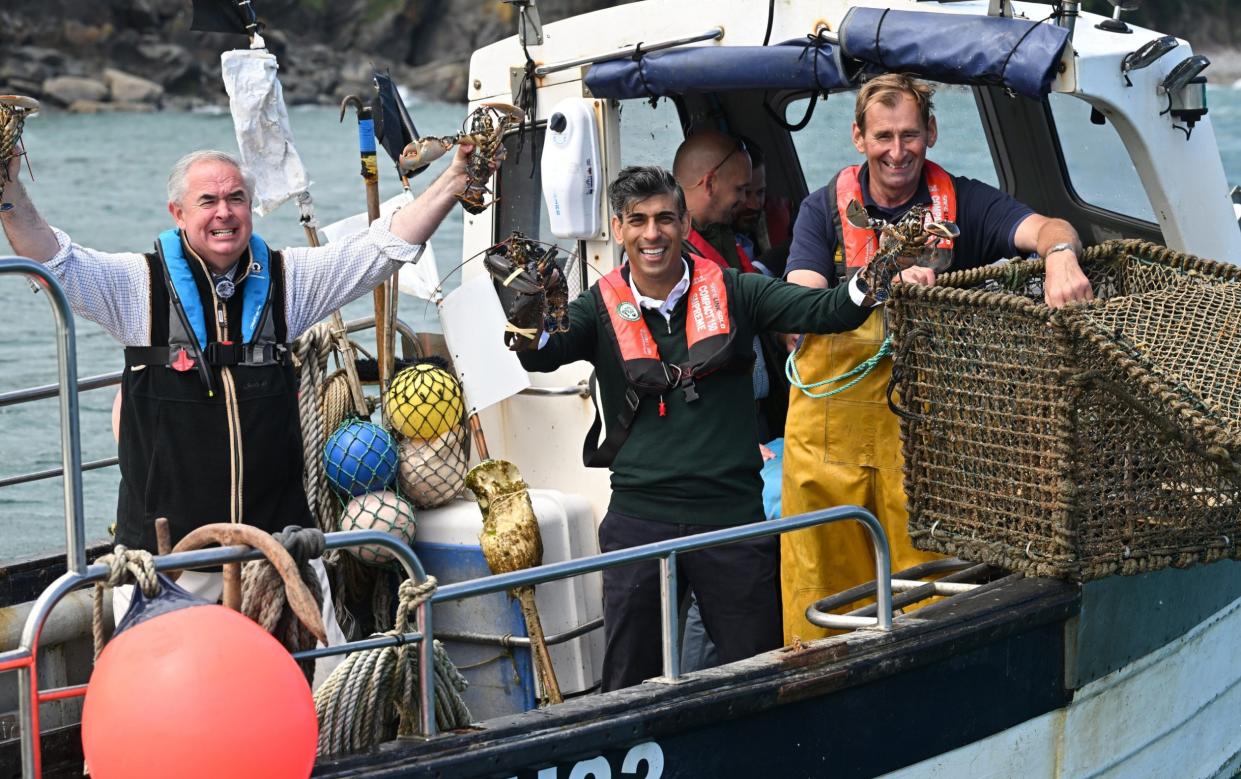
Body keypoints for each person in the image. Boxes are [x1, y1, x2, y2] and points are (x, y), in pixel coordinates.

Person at [1, 142, 482, 622]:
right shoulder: (136, 288)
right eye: (208, 202)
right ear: (178, 213)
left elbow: (383, 248)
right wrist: (7, 185)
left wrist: (453, 181)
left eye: (236, 199)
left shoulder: (287, 281)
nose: (224, 213)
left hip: (279, 550)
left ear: (250, 209)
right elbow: (53, 259)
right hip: (167, 560)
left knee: (315, 682)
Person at [517, 165, 931, 691]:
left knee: (758, 674)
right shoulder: (595, 310)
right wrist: (525, 308)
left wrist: (877, 275)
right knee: (625, 680)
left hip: (731, 521)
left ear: (686, 222)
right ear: (618, 229)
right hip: (638, 521)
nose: (652, 234)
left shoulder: (739, 291)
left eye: (665, 218)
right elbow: (543, 354)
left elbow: (825, 310)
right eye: (638, 221)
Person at [779, 73, 1093, 643]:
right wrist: (874, 286)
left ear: (932, 133)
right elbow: (797, 306)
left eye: (909, 135)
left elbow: (1049, 227)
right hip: (826, 442)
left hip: (930, 443)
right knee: (818, 588)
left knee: (931, 592)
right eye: (883, 136)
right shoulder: (821, 210)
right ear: (858, 137)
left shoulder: (967, 203)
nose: (897, 151)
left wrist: (1063, 256)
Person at [672, 130, 755, 272]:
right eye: (739, 189)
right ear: (710, 184)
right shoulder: (668, 255)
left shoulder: (720, 234)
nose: (744, 199)